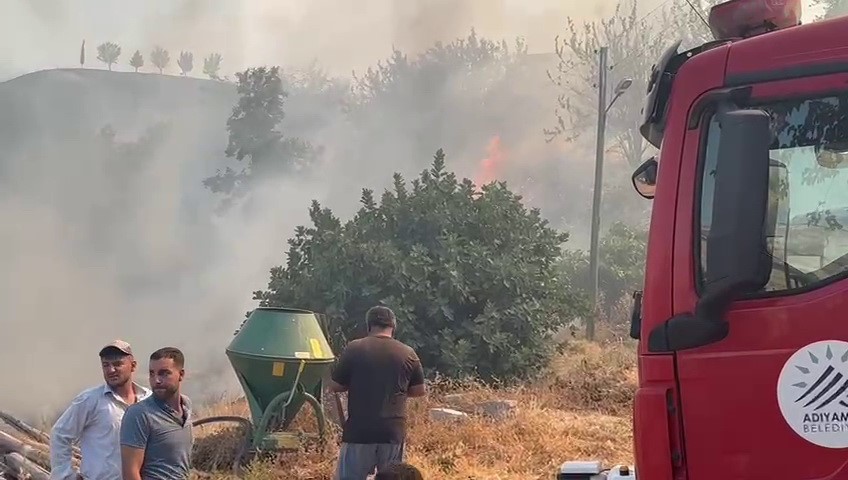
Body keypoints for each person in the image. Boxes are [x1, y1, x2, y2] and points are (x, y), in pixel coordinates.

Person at [330, 305, 426, 480]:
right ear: (393, 327)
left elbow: (336, 386)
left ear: (369, 326)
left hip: (360, 431)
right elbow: (419, 390)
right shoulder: (408, 352)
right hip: (392, 431)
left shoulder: (355, 348)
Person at [49, 340, 151, 480]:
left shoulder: (148, 400)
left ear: (133, 366)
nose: (111, 370)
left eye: (117, 364)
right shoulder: (90, 400)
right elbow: (60, 434)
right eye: (106, 365)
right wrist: (66, 475)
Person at [120, 347, 193, 480]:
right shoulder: (139, 414)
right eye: (152, 373)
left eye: (164, 373)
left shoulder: (186, 405)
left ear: (181, 374)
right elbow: (131, 473)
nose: (156, 380)